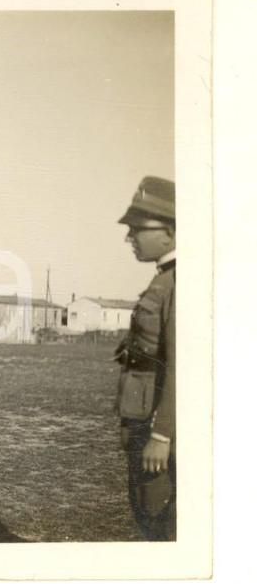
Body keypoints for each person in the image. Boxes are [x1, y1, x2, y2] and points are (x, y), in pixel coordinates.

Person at [114, 176, 176, 541]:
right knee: (147, 510)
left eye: (138, 228)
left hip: (156, 422)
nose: (130, 237)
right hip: (141, 413)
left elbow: (184, 367)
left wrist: (163, 434)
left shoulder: (178, 283)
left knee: (161, 521)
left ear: (169, 231)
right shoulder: (165, 279)